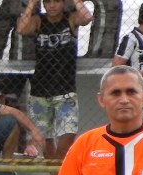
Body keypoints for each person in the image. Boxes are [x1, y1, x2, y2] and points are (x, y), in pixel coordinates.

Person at [16, 0, 93, 161]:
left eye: (56, 1)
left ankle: (58, 166)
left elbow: (87, 18)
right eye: (48, 2)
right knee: (44, 134)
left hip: (65, 87)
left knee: (68, 131)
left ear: (63, 3)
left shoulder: (70, 19)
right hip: (40, 88)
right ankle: (53, 173)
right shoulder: (38, 20)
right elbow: (21, 29)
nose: (52, 5)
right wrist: (31, 4)